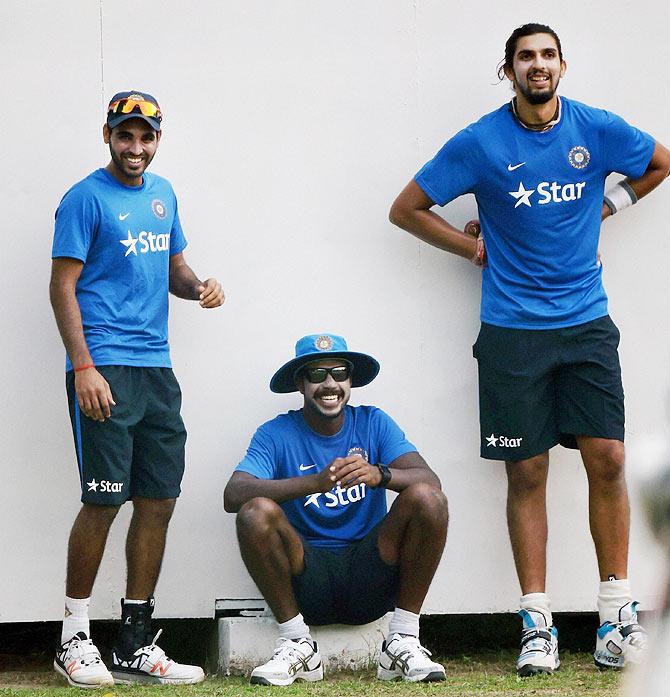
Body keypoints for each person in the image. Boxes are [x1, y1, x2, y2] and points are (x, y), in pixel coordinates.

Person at [389, 23, 670, 677]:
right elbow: (407, 208)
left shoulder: (595, 129)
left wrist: (609, 205)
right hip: (513, 329)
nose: (537, 66)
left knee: (609, 459)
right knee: (529, 473)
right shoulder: (482, 141)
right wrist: (473, 248)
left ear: (562, 67)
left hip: (587, 324)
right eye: (525, 57)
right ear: (508, 70)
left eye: (547, 56)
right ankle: (536, 624)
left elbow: (659, 161)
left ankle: (613, 619)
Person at [50, 90, 225, 687]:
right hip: (105, 367)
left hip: (156, 369)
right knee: (103, 499)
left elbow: (173, 268)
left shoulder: (163, 194)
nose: (136, 147)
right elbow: (62, 286)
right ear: (107, 136)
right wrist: (83, 367)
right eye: (125, 136)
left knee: (158, 499)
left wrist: (200, 285)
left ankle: (133, 639)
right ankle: (73, 638)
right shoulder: (84, 198)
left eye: (146, 137)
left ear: (157, 140)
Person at [223, 333, 449, 685]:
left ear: (350, 381)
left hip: (370, 570)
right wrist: (314, 483)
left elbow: (430, 481)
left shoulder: (373, 421)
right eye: (316, 375)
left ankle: (402, 639)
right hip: (306, 576)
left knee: (427, 499)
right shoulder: (276, 432)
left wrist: (380, 474)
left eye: (339, 373)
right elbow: (233, 494)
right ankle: (297, 642)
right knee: (255, 511)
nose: (329, 384)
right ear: (300, 383)